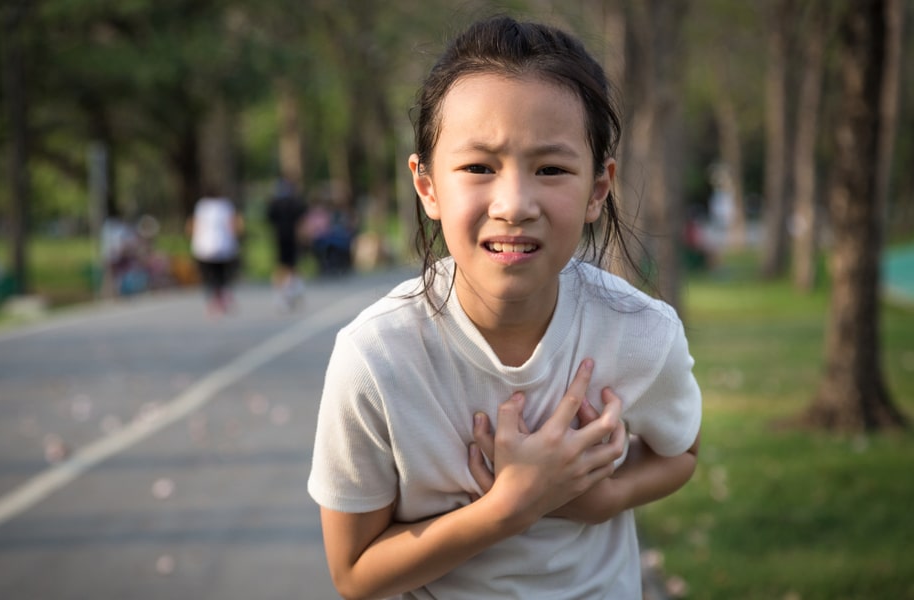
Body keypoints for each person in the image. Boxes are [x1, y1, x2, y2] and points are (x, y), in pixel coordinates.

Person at [307, 16, 702, 599]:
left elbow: (683, 451)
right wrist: (512, 506)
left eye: (551, 169)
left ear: (598, 188)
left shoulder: (641, 332)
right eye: (478, 168)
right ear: (427, 186)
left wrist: (606, 498)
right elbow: (353, 573)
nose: (514, 204)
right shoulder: (375, 360)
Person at [186, 192, 243, 316]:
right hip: (222, 246)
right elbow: (233, 224)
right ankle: (220, 298)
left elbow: (193, 224)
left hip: (205, 247)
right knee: (221, 275)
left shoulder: (202, 206)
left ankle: (216, 300)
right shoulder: (225, 205)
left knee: (210, 276)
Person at [266, 178, 307, 310]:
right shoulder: (295, 202)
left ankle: (284, 293)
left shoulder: (274, 203)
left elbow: (269, 220)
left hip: (279, 237)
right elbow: (301, 221)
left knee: (282, 265)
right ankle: (290, 291)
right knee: (291, 265)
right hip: (292, 237)